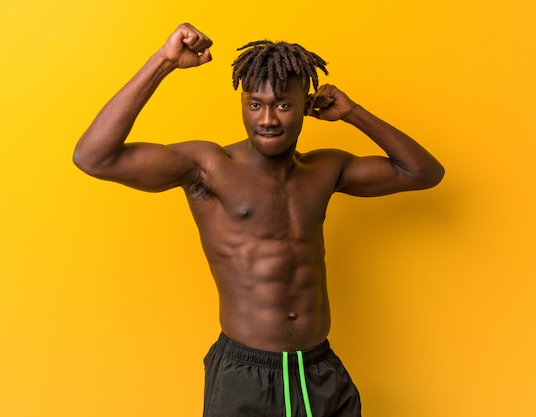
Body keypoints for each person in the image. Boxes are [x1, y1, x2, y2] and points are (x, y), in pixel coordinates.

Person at [73, 23, 444, 417]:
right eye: (255, 104)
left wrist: (354, 114)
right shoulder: (209, 166)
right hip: (246, 374)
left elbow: (421, 173)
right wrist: (163, 61)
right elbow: (93, 157)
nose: (267, 118)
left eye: (283, 104)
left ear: (306, 105)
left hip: (318, 369)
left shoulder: (324, 169)